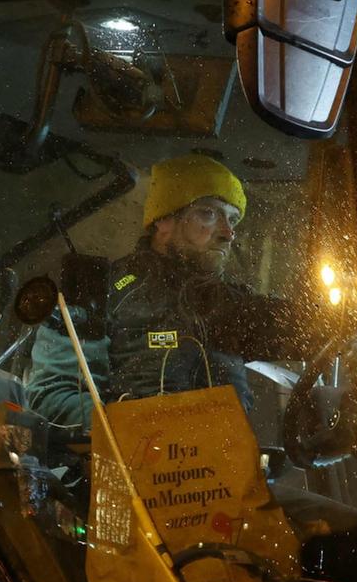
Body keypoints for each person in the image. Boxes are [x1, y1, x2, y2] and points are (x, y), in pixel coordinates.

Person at [24, 153, 296, 433]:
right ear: (163, 221)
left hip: (222, 468)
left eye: (233, 219)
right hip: (130, 468)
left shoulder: (233, 302)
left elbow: (305, 333)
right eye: (209, 213)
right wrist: (136, 432)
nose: (228, 233)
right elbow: (51, 397)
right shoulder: (99, 291)